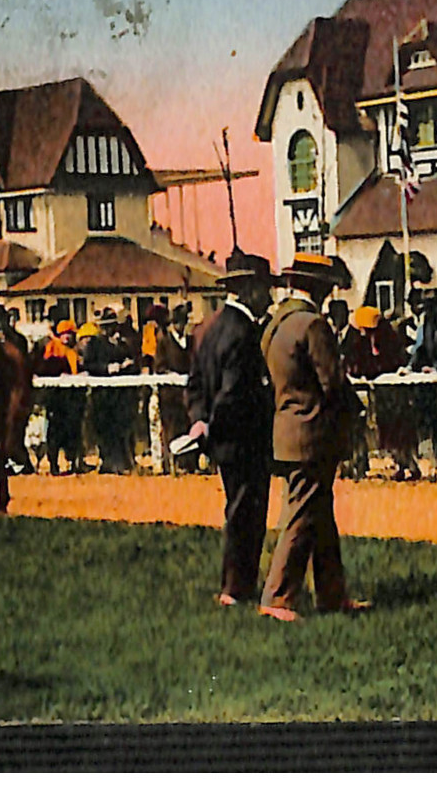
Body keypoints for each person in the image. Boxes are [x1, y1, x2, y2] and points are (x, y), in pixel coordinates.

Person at [258, 252, 367, 621]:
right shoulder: (312, 325)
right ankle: (277, 596)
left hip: (286, 430)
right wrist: (357, 409)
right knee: (302, 515)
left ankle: (332, 594)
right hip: (313, 433)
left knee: (319, 515)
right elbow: (331, 382)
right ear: (319, 287)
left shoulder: (276, 324)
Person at [186, 252, 277, 607]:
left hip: (220, 439)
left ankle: (234, 584)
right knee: (247, 514)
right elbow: (234, 392)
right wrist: (213, 424)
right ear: (249, 289)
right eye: (263, 288)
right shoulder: (243, 334)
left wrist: (199, 421)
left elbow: (194, 383)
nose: (267, 296)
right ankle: (236, 588)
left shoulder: (209, 329)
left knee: (237, 509)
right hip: (244, 438)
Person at [344, 304, 420, 481]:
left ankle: (409, 464)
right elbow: (354, 360)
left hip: (393, 389)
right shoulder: (358, 340)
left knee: (399, 429)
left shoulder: (389, 338)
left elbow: (396, 359)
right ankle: (398, 463)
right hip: (376, 389)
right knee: (385, 429)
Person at [82, 308, 138, 474]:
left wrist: (127, 365)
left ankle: (121, 462)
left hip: (120, 396)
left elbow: (132, 362)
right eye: (107, 326)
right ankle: (107, 462)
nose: (110, 330)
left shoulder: (121, 345)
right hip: (102, 395)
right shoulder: (94, 344)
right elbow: (88, 365)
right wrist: (106, 368)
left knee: (120, 429)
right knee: (104, 429)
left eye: (113, 326)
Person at [33, 318, 85, 475]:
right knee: (54, 432)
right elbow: (43, 368)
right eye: (64, 334)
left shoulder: (74, 352)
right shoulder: (52, 348)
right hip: (55, 398)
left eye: (70, 334)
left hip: (72, 397)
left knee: (73, 431)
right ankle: (53, 465)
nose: (67, 337)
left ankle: (74, 463)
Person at [153, 304, 194, 474]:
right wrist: (172, 375)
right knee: (172, 428)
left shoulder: (190, 342)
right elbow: (159, 366)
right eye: (177, 323)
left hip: (187, 392)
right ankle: (173, 464)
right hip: (170, 394)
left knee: (187, 426)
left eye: (183, 322)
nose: (180, 326)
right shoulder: (164, 342)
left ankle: (187, 463)